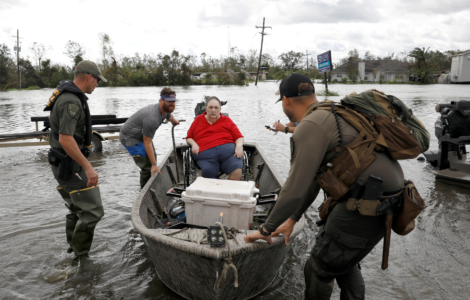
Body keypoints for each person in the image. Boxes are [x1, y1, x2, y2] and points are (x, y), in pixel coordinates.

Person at [244, 73, 405, 299]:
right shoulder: (333, 111)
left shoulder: (309, 125)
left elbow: (293, 190)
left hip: (365, 205)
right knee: (343, 262)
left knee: (318, 268)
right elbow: (313, 181)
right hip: (389, 200)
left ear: (286, 100)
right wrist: (292, 219)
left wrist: (265, 229)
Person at [45, 60, 106, 259]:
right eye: (97, 80)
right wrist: (88, 167)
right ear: (89, 77)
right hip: (69, 165)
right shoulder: (71, 101)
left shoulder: (67, 95)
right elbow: (65, 138)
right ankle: (81, 258)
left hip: (64, 163)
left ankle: (73, 251)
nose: (97, 84)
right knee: (92, 212)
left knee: (76, 208)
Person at [119, 88, 180, 188]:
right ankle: (144, 191)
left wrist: (174, 121)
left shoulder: (165, 109)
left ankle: (152, 181)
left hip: (141, 136)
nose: (172, 104)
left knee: (153, 159)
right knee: (148, 167)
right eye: (169, 101)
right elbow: (147, 143)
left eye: (174, 102)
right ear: (161, 101)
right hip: (130, 138)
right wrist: (153, 165)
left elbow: (168, 115)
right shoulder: (152, 118)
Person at [186, 96, 244, 180]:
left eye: (216, 107)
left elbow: (239, 137)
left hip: (229, 155)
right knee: (208, 172)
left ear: (220, 109)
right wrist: (194, 144)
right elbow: (189, 137)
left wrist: (239, 147)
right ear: (206, 109)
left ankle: (228, 192)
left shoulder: (227, 120)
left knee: (237, 170)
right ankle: (214, 190)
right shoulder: (198, 120)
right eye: (210, 107)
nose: (213, 110)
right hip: (206, 156)